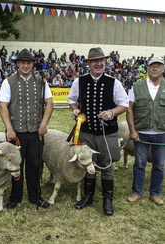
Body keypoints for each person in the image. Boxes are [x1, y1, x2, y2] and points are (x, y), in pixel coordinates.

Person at [67, 47, 129, 216]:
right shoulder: (78, 81)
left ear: (105, 62)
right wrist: (75, 110)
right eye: (95, 61)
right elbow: (72, 101)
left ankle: (107, 199)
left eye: (101, 60)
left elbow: (124, 104)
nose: (99, 63)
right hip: (86, 132)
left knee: (107, 164)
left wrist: (111, 112)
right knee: (89, 163)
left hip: (106, 132)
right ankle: (88, 196)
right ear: (89, 64)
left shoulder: (114, 82)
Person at [0, 48, 54, 209]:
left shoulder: (41, 82)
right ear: (17, 64)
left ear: (32, 64)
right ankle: (15, 197)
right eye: (23, 62)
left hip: (36, 132)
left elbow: (49, 104)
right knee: (16, 165)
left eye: (28, 62)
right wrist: (9, 129)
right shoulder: (8, 82)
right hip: (16, 132)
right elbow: (3, 106)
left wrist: (43, 125)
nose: (26, 65)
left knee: (35, 165)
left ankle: (35, 196)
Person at [126, 57, 165, 206]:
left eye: (158, 66)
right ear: (147, 69)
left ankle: (155, 193)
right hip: (141, 132)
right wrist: (132, 130)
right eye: (152, 66)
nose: (155, 68)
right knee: (139, 163)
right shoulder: (137, 86)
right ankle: (137, 192)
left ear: (163, 69)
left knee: (159, 165)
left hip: (162, 133)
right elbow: (130, 109)